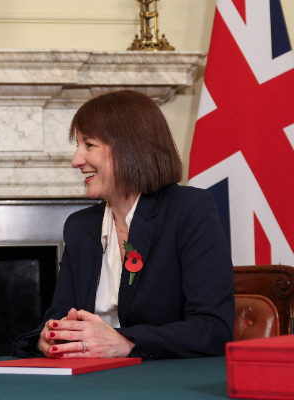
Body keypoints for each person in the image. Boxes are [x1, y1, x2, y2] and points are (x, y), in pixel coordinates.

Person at [12, 90, 234, 360]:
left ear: (130, 148)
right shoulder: (80, 226)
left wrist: (126, 343)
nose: (76, 161)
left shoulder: (189, 209)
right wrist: (49, 338)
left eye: (89, 145)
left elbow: (213, 329)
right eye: (77, 145)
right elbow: (57, 316)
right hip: (86, 382)